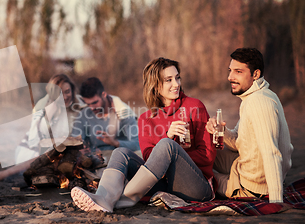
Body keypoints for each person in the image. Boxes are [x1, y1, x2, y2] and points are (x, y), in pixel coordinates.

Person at [71, 58, 216, 212]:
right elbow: (149, 159)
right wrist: (168, 136)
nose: (176, 84)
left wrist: (174, 152)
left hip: (196, 187)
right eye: (169, 80)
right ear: (155, 85)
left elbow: (208, 156)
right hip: (164, 185)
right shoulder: (146, 118)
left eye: (177, 77)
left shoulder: (194, 106)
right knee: (120, 153)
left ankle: (121, 199)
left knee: (166, 145)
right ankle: (103, 198)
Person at [206, 48, 293, 203]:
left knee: (202, 174)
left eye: (238, 72)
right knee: (202, 153)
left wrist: (275, 201)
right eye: (230, 71)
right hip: (246, 166)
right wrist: (221, 131)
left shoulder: (259, 102)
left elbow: (271, 153)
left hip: (252, 187)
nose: (230, 77)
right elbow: (240, 143)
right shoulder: (258, 95)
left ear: (256, 74)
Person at [0, 74, 86, 182]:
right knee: (51, 153)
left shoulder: (77, 105)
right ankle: (1, 175)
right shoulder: (44, 108)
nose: (65, 97)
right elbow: (36, 142)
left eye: (67, 92)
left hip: (59, 150)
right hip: (32, 150)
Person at [71, 77, 140, 158]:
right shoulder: (83, 114)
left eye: (95, 102)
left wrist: (115, 143)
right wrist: (80, 148)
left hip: (119, 157)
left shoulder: (123, 113)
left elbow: (137, 144)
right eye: (88, 104)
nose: (92, 108)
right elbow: (74, 141)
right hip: (94, 159)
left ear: (104, 94)